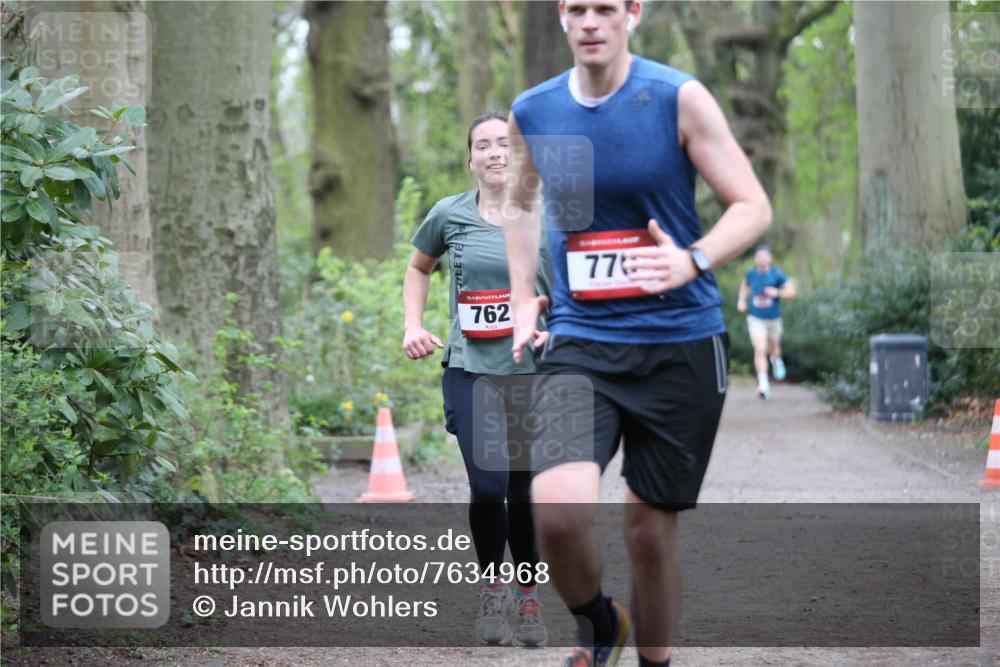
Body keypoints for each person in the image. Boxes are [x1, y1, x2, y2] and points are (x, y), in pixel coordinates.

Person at [501, 1, 772, 666]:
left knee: (648, 534)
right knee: (556, 511)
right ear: (562, 17)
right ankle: (599, 622)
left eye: (606, 7)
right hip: (581, 336)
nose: (591, 21)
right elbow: (519, 200)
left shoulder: (676, 98)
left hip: (679, 340)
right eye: (577, 8)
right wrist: (521, 296)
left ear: (633, 13)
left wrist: (692, 258)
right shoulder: (534, 111)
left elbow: (753, 204)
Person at [402, 111, 553, 647]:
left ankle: (530, 598)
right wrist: (413, 325)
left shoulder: (543, 216)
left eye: (504, 143)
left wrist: (553, 332)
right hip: (470, 369)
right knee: (489, 486)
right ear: (470, 159)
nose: (494, 151)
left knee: (525, 491)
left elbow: (567, 296)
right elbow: (419, 267)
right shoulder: (450, 214)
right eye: (483, 145)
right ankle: (493, 591)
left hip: (530, 375)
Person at [737, 245, 797, 399]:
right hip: (755, 318)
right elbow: (744, 286)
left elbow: (792, 292)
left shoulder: (777, 275)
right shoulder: (751, 274)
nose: (761, 259)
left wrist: (777, 292)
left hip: (773, 319)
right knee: (759, 348)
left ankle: (776, 359)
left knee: (773, 348)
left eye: (764, 256)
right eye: (758, 256)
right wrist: (741, 301)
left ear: (769, 258)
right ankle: (763, 385)